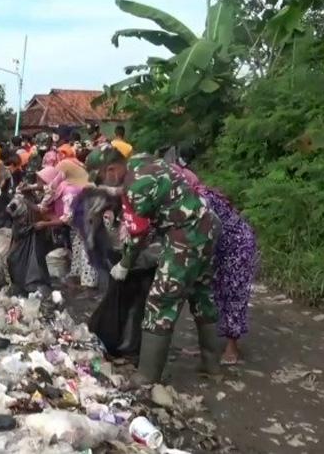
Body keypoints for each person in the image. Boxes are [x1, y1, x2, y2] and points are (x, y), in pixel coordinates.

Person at [87, 147, 222, 385]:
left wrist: (125, 264)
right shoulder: (140, 160)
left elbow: (139, 235)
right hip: (207, 225)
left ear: (111, 169)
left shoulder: (135, 187)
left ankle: (147, 375)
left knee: (160, 301)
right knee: (201, 293)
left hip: (186, 236)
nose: (101, 183)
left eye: (100, 178)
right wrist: (119, 192)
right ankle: (212, 366)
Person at [171, 151, 257, 365]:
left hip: (237, 246)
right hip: (219, 246)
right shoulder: (190, 199)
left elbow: (201, 234)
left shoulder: (201, 201)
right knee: (212, 292)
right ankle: (209, 344)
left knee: (232, 293)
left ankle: (232, 347)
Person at [36, 160, 98, 288]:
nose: (42, 186)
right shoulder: (57, 189)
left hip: (93, 219)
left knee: (86, 252)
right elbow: (43, 205)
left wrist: (45, 224)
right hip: (82, 222)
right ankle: (76, 275)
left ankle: (89, 285)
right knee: (77, 246)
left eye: (44, 182)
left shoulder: (68, 191)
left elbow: (66, 218)